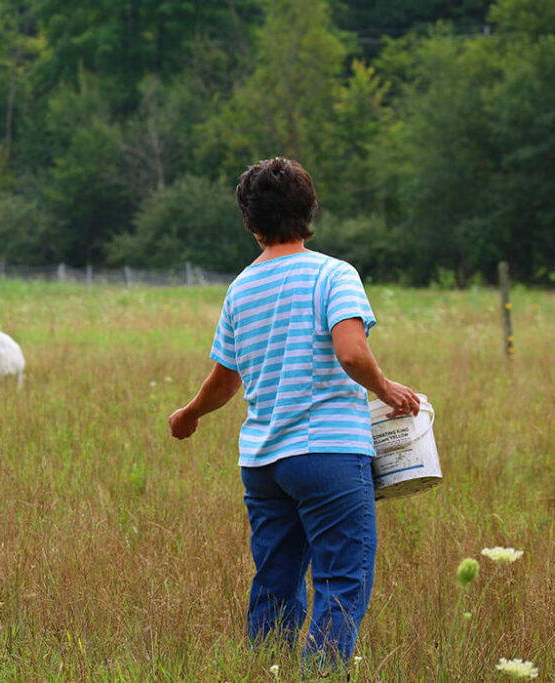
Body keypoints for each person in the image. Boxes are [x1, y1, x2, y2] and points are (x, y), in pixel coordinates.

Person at [168, 157, 420, 671]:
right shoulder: (334, 273)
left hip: (263, 463)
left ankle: (267, 672)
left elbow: (224, 379)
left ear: (251, 222)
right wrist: (387, 388)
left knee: (276, 579)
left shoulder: (241, 288)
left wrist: (189, 414)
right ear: (309, 210)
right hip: (328, 454)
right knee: (342, 577)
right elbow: (350, 352)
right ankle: (320, 675)